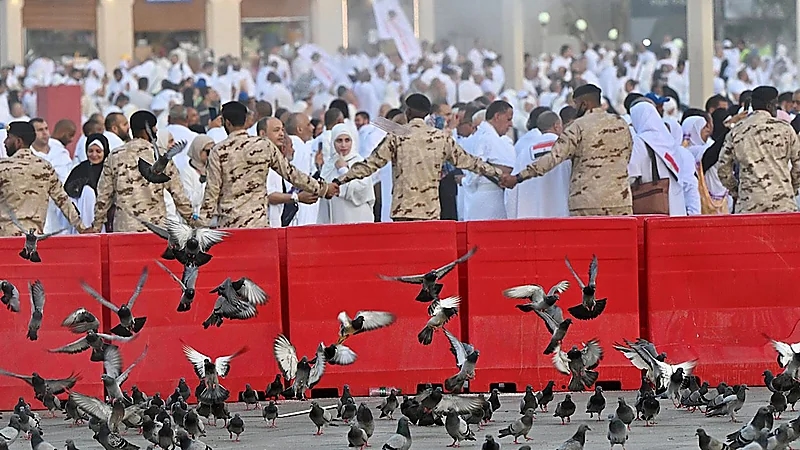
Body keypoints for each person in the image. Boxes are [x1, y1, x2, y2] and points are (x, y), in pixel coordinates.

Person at [334, 93, 506, 221]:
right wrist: (499, 173)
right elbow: (471, 162)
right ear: (426, 114)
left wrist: (339, 180)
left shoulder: (397, 136)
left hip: (403, 211)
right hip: (430, 211)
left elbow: (369, 166)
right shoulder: (440, 137)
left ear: (407, 112)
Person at [501, 84, 634, 216]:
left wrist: (518, 177)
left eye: (576, 104)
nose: (575, 108)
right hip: (620, 199)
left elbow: (553, 158)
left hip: (588, 203)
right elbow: (628, 155)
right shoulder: (621, 123)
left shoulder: (577, 127)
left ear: (584, 104)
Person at [200, 101, 337, 228]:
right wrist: (322, 189)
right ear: (246, 120)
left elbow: (212, 193)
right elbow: (292, 174)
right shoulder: (264, 146)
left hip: (229, 226)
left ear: (227, 123)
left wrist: (199, 227)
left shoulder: (218, 151)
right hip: (258, 224)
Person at [92, 110, 195, 232]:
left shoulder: (115, 156)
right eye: (154, 128)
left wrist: (96, 227)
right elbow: (179, 196)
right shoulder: (161, 156)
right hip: (156, 230)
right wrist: (195, 224)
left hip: (124, 230)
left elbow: (103, 196)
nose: (156, 131)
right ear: (148, 130)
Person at [717, 86, 800, 213]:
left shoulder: (738, 130)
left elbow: (723, 168)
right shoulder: (785, 129)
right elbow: (798, 165)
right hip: (783, 205)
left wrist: (737, 190)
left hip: (749, 204)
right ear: (769, 105)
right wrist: (790, 187)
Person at [0, 122, 86, 235]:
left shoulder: (3, 167)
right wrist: (82, 228)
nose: (5, 142)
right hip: (34, 238)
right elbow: (63, 200)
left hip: (5, 238)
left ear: (18, 142)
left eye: (9, 137)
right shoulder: (45, 167)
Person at [507, 111, 570, 218]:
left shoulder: (525, 152)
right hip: (561, 215)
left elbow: (512, 191)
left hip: (530, 217)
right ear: (557, 126)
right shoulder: (567, 149)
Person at [322, 124, 375, 224]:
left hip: (358, 219)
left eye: (347, 140)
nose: (343, 145)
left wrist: (343, 170)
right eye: (339, 140)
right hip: (336, 220)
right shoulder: (329, 165)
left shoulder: (359, 163)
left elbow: (361, 191)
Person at [64, 134, 110, 232]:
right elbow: (67, 193)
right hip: (80, 224)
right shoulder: (79, 170)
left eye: (98, 151)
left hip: (103, 221)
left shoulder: (109, 170)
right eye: (90, 151)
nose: (94, 155)